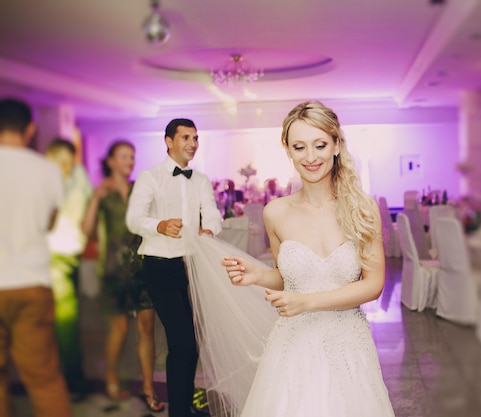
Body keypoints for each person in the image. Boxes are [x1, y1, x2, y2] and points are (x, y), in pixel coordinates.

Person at [221, 101, 395, 416]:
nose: (311, 157)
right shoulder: (275, 212)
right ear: (287, 149)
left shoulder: (363, 208)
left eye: (320, 145)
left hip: (347, 346)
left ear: (337, 145)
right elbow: (288, 278)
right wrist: (259, 275)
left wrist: (307, 302)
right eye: (300, 147)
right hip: (293, 345)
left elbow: (374, 284)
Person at [126, 118, 222, 417]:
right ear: (169, 141)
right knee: (182, 341)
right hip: (159, 266)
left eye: (195, 137)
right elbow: (133, 219)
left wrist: (210, 230)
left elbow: (214, 215)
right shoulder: (150, 177)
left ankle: (183, 406)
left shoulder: (202, 179)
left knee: (191, 343)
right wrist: (159, 225)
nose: (192, 143)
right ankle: (179, 411)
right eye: (186, 137)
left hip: (193, 266)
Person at [0, 98, 72, 417]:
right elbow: (51, 222)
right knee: (43, 378)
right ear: (30, 129)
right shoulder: (47, 170)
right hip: (32, 284)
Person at [81, 140, 163, 412]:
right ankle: (112, 380)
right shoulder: (102, 192)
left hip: (142, 266)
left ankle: (148, 389)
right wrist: (95, 199)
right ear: (111, 161)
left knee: (147, 328)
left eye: (132, 156)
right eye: (124, 156)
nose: (130, 161)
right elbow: (87, 230)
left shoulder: (140, 189)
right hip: (114, 271)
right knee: (118, 329)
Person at [44, 137, 92, 400]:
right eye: (60, 161)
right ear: (48, 157)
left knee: (68, 322)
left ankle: (67, 378)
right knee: (65, 322)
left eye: (69, 162)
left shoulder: (79, 174)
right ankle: (71, 381)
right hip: (52, 257)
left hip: (72, 256)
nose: (65, 167)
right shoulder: (41, 181)